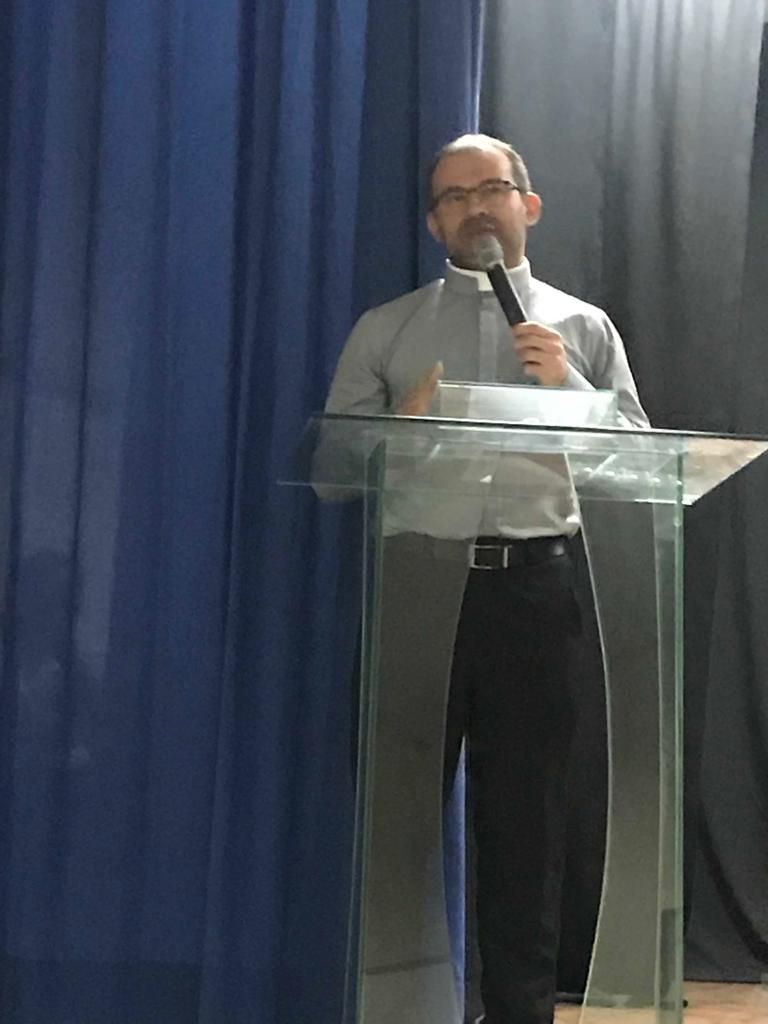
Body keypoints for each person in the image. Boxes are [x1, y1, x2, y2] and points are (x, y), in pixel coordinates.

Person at [323, 134, 649, 1024]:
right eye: (453, 197)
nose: (475, 208)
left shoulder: (584, 328)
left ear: (527, 205)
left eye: (491, 188)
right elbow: (331, 474)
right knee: (395, 832)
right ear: (434, 224)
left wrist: (571, 388)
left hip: (535, 595)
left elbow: (636, 466)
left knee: (527, 832)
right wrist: (397, 429)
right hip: (417, 591)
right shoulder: (386, 328)